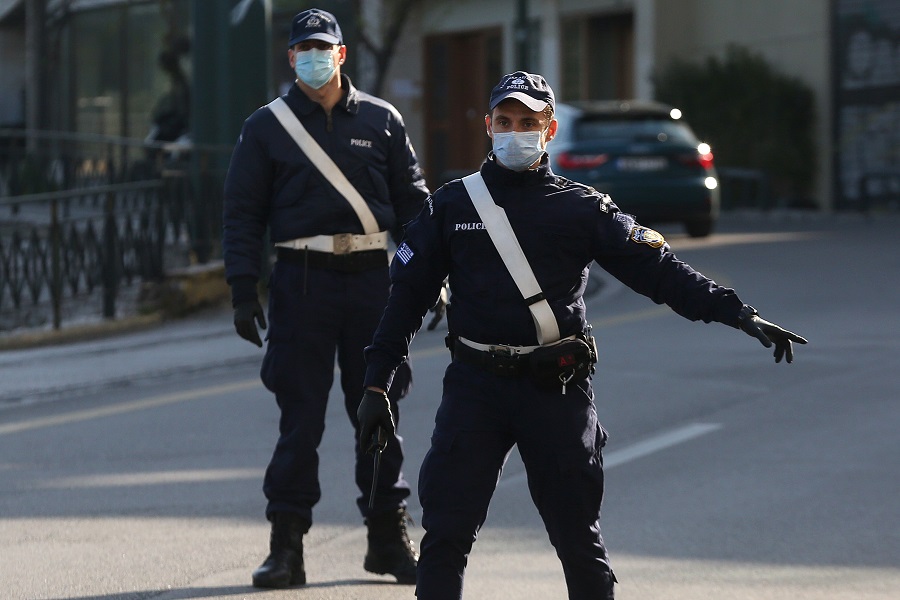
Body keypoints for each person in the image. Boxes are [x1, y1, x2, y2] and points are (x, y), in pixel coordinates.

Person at [357, 71, 808, 600]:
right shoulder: (451, 206)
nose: (515, 132)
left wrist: (738, 313)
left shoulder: (580, 207)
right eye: (505, 121)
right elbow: (405, 300)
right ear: (488, 125)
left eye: (529, 123)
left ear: (549, 131)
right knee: (446, 537)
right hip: (474, 388)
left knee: (577, 537)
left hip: (556, 390)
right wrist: (376, 385)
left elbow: (660, 273)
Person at [222, 8, 428, 589]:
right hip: (301, 282)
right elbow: (242, 212)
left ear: (341, 54)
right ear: (291, 58)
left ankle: (387, 539)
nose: (314, 57)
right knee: (300, 420)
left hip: (372, 281)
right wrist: (243, 287)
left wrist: (430, 276)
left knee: (378, 413)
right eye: (303, 49)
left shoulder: (383, 121)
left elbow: (413, 207)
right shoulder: (267, 126)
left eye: (324, 48)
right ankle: (286, 548)